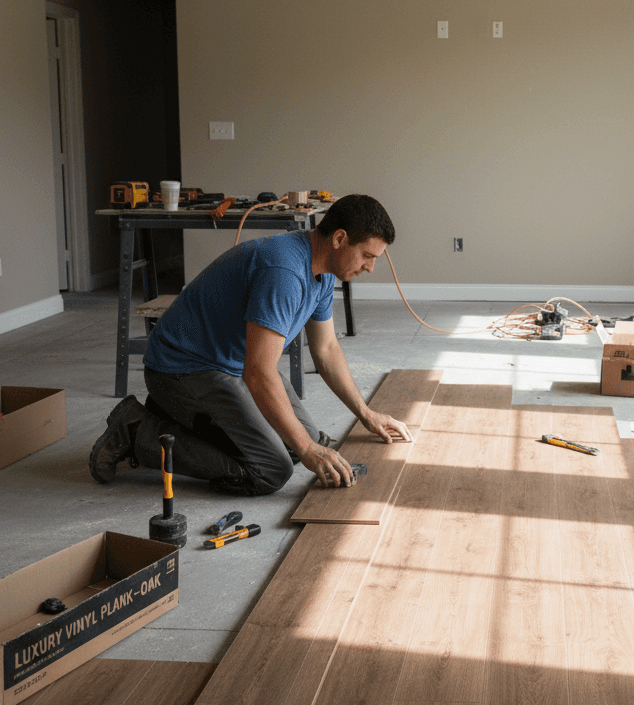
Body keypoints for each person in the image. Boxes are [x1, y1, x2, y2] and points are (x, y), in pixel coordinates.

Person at [89, 193, 411, 495]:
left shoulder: (323, 272)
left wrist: (366, 414)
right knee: (271, 469)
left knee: (298, 443)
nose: (370, 267)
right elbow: (259, 372)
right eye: (367, 256)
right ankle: (136, 431)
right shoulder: (284, 273)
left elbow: (326, 349)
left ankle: (188, 420)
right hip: (182, 370)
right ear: (339, 239)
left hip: (230, 364)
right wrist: (308, 449)